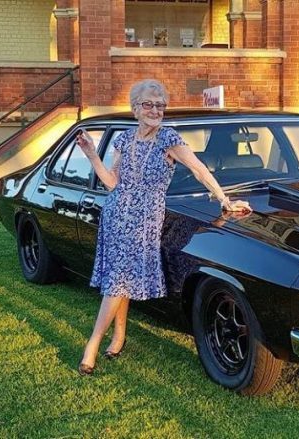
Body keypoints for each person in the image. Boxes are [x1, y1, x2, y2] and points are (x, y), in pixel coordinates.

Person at [76, 79, 251, 375]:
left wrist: (224, 199)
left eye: (160, 105)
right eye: (148, 104)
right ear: (135, 109)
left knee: (119, 278)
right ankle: (118, 336)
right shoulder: (123, 140)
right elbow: (112, 183)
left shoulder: (169, 139)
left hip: (145, 218)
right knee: (121, 278)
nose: (155, 110)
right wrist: (92, 155)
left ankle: (92, 344)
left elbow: (198, 168)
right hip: (117, 214)